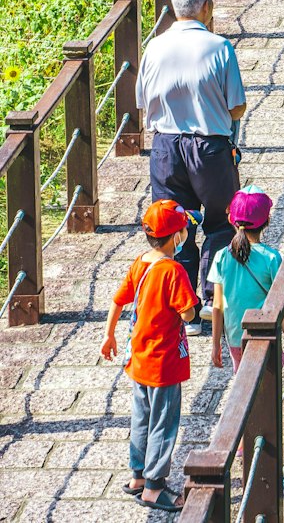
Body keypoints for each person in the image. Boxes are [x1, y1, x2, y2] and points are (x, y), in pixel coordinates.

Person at [136, 0, 246, 321]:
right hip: (210, 149)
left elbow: (142, 100)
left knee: (174, 227)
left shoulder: (153, 48)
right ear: (207, 7)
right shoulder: (219, 47)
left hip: (166, 148)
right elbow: (237, 106)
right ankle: (214, 300)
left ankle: (185, 308)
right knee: (219, 223)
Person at [100, 199, 198, 513]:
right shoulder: (174, 270)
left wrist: (108, 334)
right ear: (175, 236)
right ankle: (155, 488)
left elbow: (118, 300)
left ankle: (138, 477)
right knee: (163, 424)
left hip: (139, 358)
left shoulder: (140, 262)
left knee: (141, 419)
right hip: (165, 362)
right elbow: (188, 314)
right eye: (183, 229)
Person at [209, 187, 284, 373]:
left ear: (231, 219)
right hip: (265, 336)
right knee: (267, 382)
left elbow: (217, 306)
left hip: (235, 338)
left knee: (243, 380)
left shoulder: (221, 256)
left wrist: (215, 345)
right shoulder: (271, 258)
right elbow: (281, 306)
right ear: (267, 221)